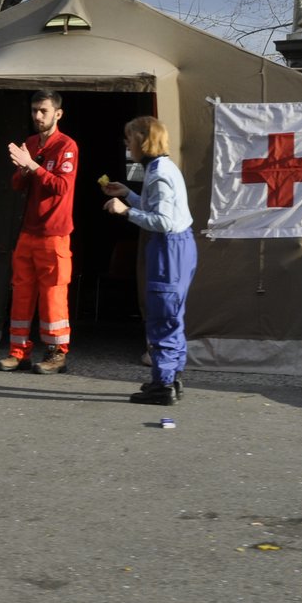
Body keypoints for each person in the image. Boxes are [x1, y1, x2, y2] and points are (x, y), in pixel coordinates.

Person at [103, 116, 197, 406]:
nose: (126, 142)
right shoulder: (163, 167)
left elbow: (164, 221)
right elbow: (158, 206)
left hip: (168, 249)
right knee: (173, 316)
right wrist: (129, 194)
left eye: (129, 137)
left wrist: (124, 211)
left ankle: (163, 385)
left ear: (143, 140)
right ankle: (171, 378)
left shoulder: (158, 173)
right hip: (180, 248)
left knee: (162, 317)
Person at [0, 89, 78, 375]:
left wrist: (32, 165)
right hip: (28, 232)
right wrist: (23, 170)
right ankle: (18, 353)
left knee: (52, 296)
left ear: (58, 113)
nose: (37, 116)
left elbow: (61, 187)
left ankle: (57, 354)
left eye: (43, 111)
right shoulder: (30, 143)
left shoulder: (67, 146)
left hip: (54, 234)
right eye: (34, 111)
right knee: (21, 293)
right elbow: (18, 185)